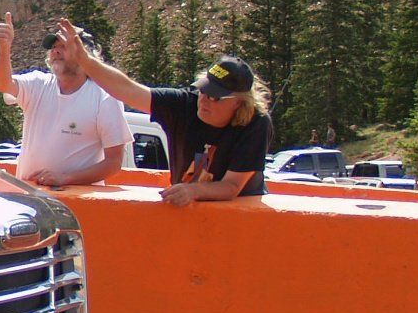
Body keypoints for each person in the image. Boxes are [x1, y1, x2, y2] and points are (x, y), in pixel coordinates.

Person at [57, 19, 272, 206]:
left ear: (239, 103)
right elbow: (128, 90)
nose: (204, 100)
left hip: (239, 218)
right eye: (203, 90)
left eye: (215, 96)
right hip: (186, 209)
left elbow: (232, 185)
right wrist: (85, 61)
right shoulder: (184, 104)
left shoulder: (255, 123)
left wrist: (193, 190)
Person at [0, 12, 129, 189]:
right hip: (31, 199)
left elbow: (113, 162)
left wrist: (65, 178)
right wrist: (4, 48)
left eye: (63, 46)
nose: (55, 51)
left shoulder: (105, 96)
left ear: (85, 55)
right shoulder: (38, 84)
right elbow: (4, 84)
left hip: (78, 206)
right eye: (53, 47)